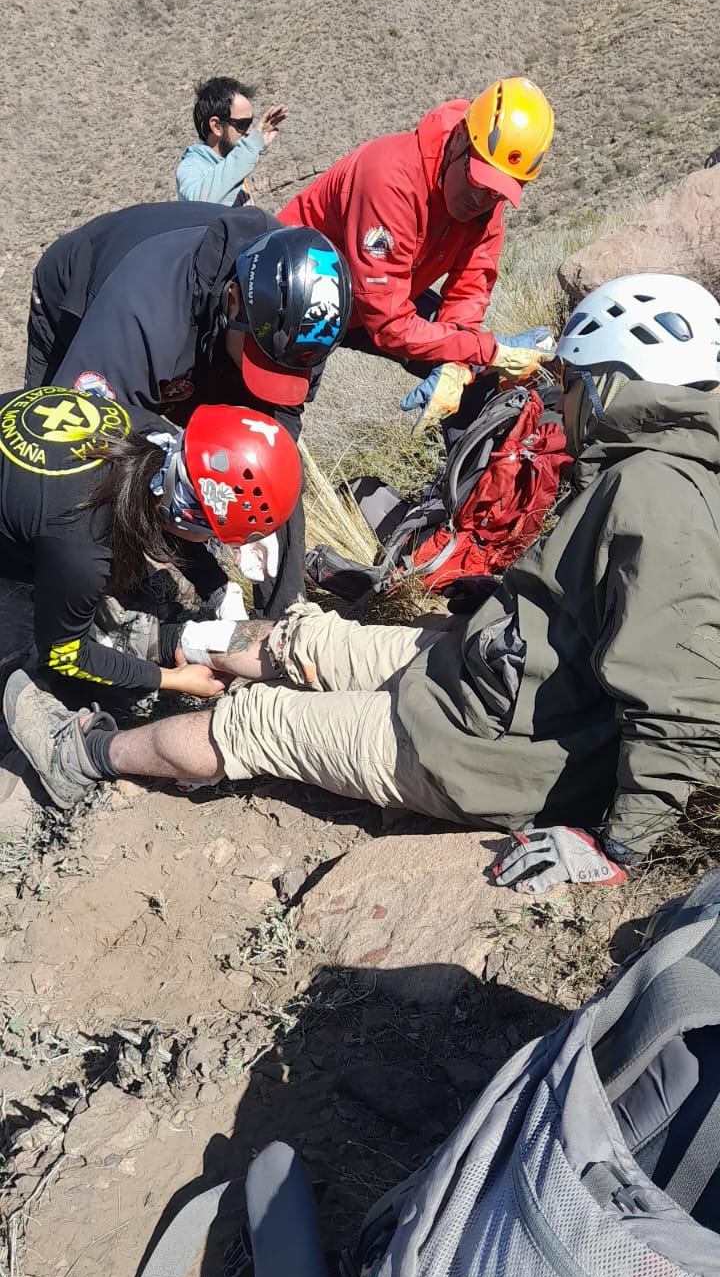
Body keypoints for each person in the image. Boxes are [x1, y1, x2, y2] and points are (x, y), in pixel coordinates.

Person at [10, 272, 720, 894]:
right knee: (301, 638)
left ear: (614, 385)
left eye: (574, 384)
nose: (563, 402)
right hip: (486, 675)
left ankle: (86, 758)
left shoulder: (666, 501)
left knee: (255, 723)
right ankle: (167, 639)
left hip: (482, 745)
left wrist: (617, 845)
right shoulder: (644, 475)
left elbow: (684, 709)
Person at [30, 206, 352, 615]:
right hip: (76, 296)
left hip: (215, 336)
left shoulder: (305, 320)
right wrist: (213, 582)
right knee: (64, 476)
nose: (275, 373)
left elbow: (273, 449)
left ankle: (284, 616)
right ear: (233, 302)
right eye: (263, 361)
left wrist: (254, 522)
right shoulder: (143, 316)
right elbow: (90, 446)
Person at [0, 388, 302, 712]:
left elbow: (167, 509)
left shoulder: (156, 436)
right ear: (191, 519)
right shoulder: (81, 545)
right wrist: (172, 679)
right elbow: (65, 654)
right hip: (35, 529)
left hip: (26, 483)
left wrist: (219, 589)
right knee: (41, 672)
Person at [278, 77, 556, 418]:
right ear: (458, 141)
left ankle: (481, 468)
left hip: (385, 292)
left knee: (476, 376)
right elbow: (388, 324)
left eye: (498, 192)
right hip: (296, 295)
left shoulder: (487, 202)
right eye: (479, 181)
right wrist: (486, 349)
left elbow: (470, 290)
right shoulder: (390, 178)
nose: (481, 200)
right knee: (277, 413)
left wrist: (459, 366)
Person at [25, 200, 231, 389]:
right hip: (72, 284)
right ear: (234, 300)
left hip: (142, 260)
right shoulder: (142, 318)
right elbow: (84, 412)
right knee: (44, 412)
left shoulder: (256, 262)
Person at [176, 76, 287, 207]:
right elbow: (199, 206)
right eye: (242, 124)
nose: (249, 131)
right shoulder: (192, 166)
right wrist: (250, 147)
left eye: (250, 123)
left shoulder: (230, 164)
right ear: (216, 126)